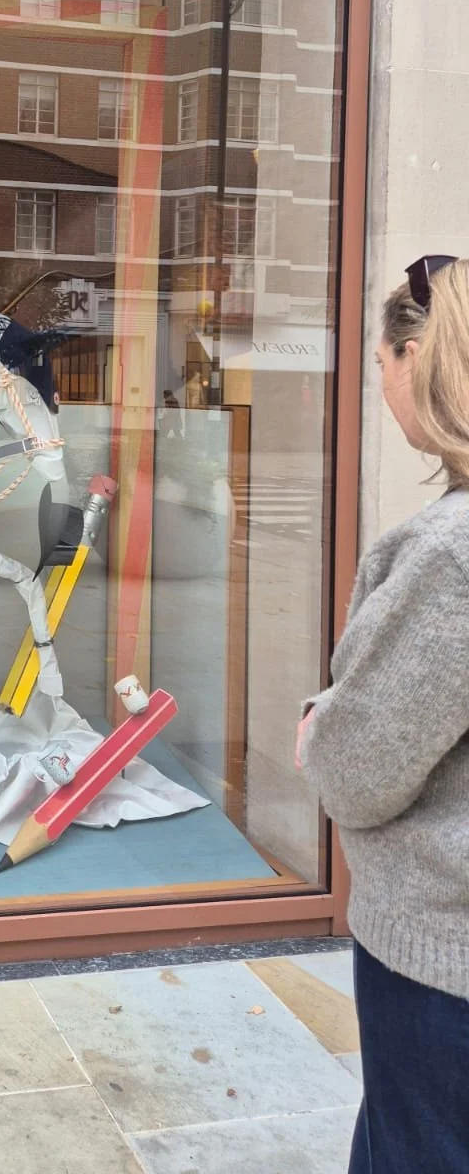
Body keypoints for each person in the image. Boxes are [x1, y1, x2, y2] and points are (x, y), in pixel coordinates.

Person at [297, 253, 469, 1173]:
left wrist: (321, 726)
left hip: (444, 958)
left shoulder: (450, 557)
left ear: (423, 361)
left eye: (383, 359)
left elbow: (360, 772)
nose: (378, 376)